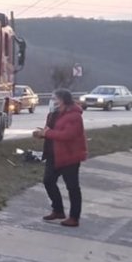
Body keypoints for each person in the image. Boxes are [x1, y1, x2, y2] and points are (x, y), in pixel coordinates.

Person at [33, 88, 87, 227]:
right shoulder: (53, 114)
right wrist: (41, 134)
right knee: (48, 181)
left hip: (69, 156)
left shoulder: (74, 116)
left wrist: (48, 133)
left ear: (62, 100)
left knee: (72, 187)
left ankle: (74, 217)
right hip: (53, 154)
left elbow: (68, 135)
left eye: (54, 98)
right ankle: (58, 210)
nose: (52, 101)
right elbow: (49, 131)